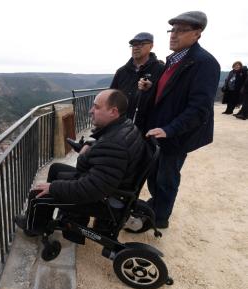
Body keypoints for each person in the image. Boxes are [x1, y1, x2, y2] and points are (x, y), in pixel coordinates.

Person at [15, 89, 148, 235]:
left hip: (105, 201)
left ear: (113, 112)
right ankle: (43, 219)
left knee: (38, 193)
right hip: (112, 188)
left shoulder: (114, 144)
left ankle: (34, 227)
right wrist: (90, 146)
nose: (91, 110)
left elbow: (92, 189)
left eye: (96, 107)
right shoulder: (126, 126)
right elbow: (106, 156)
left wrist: (54, 188)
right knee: (55, 168)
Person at [138, 11, 221, 228]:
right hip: (160, 131)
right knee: (154, 174)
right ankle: (156, 205)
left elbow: (200, 108)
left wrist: (170, 129)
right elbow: (170, 93)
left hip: (175, 135)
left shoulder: (204, 63)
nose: (173, 35)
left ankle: (159, 219)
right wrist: (150, 88)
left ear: (196, 34)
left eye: (181, 30)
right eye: (172, 29)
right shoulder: (175, 60)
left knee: (166, 178)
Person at [110, 32, 164, 132]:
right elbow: (112, 97)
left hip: (149, 128)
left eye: (141, 44)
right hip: (121, 127)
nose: (136, 47)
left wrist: (151, 88)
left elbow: (165, 97)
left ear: (151, 46)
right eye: (134, 45)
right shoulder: (121, 72)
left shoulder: (160, 70)